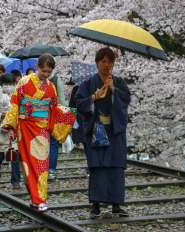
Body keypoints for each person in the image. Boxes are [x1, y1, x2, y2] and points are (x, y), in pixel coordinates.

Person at [2, 53, 76, 212]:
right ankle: (34, 198)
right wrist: (11, 127)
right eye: (44, 71)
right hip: (25, 126)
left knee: (41, 163)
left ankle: (40, 199)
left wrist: (69, 114)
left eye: (49, 72)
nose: (46, 75)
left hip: (42, 128)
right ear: (37, 67)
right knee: (27, 164)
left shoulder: (51, 86)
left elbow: (55, 107)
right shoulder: (24, 81)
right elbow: (15, 104)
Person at [75, 47, 131, 219]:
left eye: (110, 61)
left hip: (115, 131)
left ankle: (116, 206)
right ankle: (96, 207)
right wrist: (94, 97)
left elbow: (126, 99)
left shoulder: (119, 82)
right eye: (103, 61)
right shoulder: (88, 83)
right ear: (97, 62)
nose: (106, 65)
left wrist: (113, 88)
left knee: (116, 166)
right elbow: (78, 103)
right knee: (97, 167)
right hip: (97, 130)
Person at [0, 73, 21, 189]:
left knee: (15, 158)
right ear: (1, 85)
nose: (8, 86)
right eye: (5, 84)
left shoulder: (17, 97)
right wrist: (0, 115)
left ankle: (16, 181)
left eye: (10, 84)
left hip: (13, 133)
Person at [47, 66, 66, 180]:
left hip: (40, 116)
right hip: (54, 115)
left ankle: (41, 170)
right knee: (54, 144)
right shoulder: (56, 79)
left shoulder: (34, 80)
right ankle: (51, 171)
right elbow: (62, 100)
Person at [69, 84, 89, 178]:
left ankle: (90, 168)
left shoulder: (77, 87)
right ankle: (91, 168)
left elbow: (72, 107)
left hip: (84, 119)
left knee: (88, 144)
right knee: (89, 144)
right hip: (85, 119)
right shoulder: (77, 87)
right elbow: (72, 107)